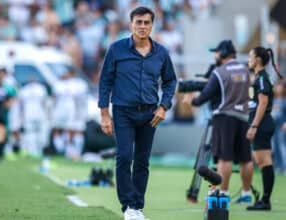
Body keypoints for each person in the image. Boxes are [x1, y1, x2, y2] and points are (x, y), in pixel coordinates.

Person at [98, 6, 177, 220]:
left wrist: (164, 106)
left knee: (142, 161)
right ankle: (127, 207)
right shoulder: (116, 49)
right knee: (124, 157)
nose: (142, 26)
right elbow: (105, 81)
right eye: (138, 22)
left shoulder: (161, 52)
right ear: (131, 24)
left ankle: (137, 207)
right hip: (123, 111)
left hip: (150, 113)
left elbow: (170, 81)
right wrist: (105, 114)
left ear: (152, 25)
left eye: (146, 22)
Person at [191, 40, 254, 203]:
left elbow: (206, 95)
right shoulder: (246, 69)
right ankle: (246, 193)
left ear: (224, 52)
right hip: (244, 117)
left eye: (217, 52)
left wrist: (192, 100)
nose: (216, 56)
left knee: (224, 158)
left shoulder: (219, 71)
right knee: (245, 159)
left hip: (224, 118)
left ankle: (224, 193)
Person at [246, 47, 283, 210]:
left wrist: (254, 125)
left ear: (258, 60)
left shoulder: (261, 78)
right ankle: (264, 199)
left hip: (261, 124)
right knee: (262, 162)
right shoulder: (259, 77)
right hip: (261, 123)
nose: (249, 60)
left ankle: (266, 200)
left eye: (250, 56)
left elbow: (263, 103)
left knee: (264, 161)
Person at [18, 77, 49, 157]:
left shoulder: (39, 89)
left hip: (35, 114)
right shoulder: (26, 90)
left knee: (36, 134)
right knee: (31, 134)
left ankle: (36, 151)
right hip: (33, 115)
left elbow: (44, 103)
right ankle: (34, 151)